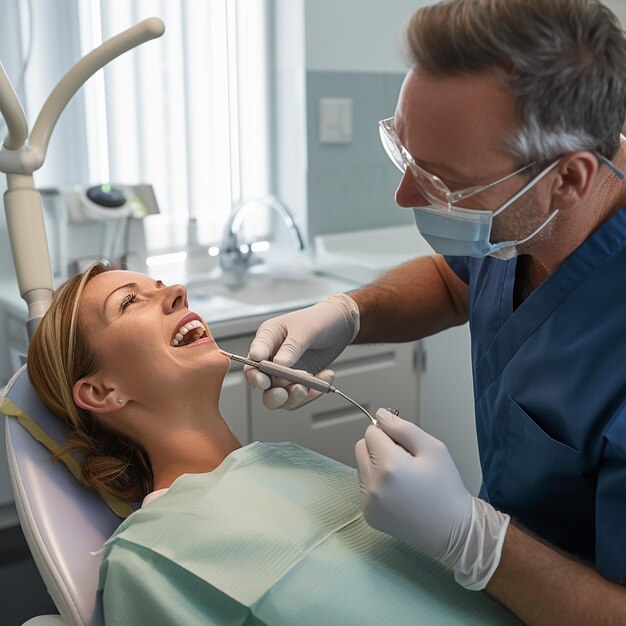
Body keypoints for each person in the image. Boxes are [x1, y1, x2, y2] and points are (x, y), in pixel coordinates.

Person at [245, 0, 626, 624]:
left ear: (568, 179)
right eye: (404, 154)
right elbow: (457, 286)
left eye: (442, 179)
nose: (405, 197)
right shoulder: (522, 223)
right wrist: (349, 314)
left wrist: (475, 544)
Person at [26, 263, 518, 626]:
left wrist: (466, 535)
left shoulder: (284, 462)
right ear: (101, 392)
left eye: (160, 284)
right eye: (130, 302)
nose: (176, 290)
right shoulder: (148, 557)